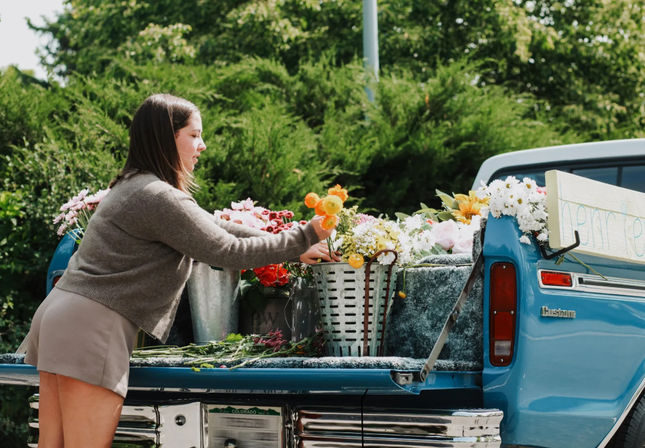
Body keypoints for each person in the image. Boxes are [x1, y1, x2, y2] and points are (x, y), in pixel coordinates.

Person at [23, 93, 337, 447]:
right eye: (194, 135)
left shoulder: (136, 185)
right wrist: (307, 233)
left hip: (62, 317)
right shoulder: (158, 195)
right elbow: (226, 250)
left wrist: (296, 247)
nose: (202, 145)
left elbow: (216, 227)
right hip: (91, 325)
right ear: (165, 137)